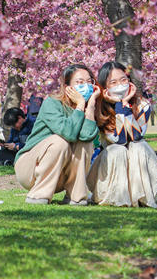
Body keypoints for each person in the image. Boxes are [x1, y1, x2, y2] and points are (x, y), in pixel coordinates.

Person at [14, 63, 100, 205]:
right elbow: (69, 134)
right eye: (79, 82)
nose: (86, 85)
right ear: (67, 87)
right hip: (31, 169)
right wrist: (79, 106)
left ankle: (76, 196)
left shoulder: (88, 106)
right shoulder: (52, 103)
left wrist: (90, 106)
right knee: (60, 142)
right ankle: (38, 195)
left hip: (60, 175)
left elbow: (88, 136)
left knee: (85, 142)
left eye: (89, 81)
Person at [87, 62, 157, 207]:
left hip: (137, 153)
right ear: (105, 87)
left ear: (130, 81)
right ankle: (115, 197)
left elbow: (136, 136)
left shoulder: (142, 105)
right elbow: (118, 140)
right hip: (112, 156)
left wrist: (124, 105)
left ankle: (143, 198)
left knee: (138, 146)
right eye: (113, 82)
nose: (120, 85)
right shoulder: (99, 109)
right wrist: (120, 105)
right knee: (117, 150)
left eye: (123, 80)